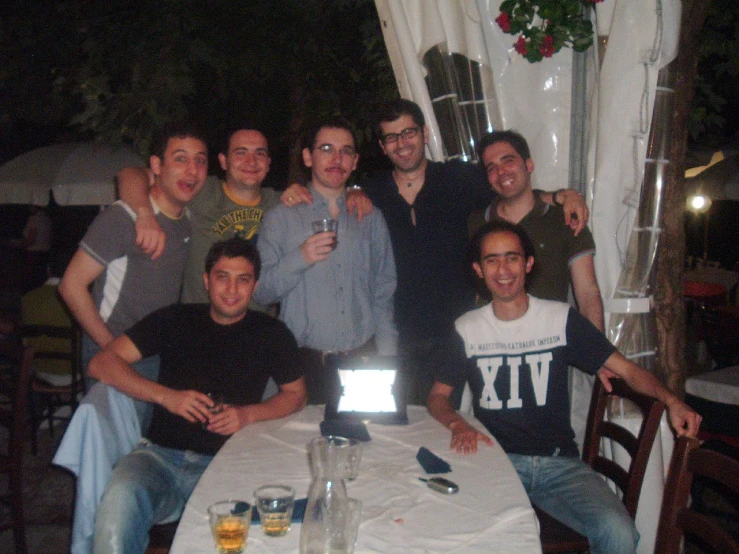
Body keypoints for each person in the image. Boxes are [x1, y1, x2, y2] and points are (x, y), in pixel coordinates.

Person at [427, 220, 702, 554]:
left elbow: (628, 371)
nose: (503, 269)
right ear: (478, 269)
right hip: (495, 461)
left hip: (559, 465)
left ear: (528, 264)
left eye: (512, 258)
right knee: (462, 535)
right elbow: (438, 396)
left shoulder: (560, 319)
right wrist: (457, 424)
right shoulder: (467, 328)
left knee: (620, 535)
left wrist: (671, 400)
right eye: (492, 260)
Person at [363, 99, 588, 404]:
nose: (402, 144)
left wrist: (561, 196)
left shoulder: (460, 179)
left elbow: (511, 191)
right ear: (382, 145)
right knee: (393, 431)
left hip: (455, 336)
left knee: (446, 428)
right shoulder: (372, 193)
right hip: (392, 337)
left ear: (425, 133)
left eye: (409, 133)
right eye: (391, 137)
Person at [89, 238, 306, 553]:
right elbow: (101, 363)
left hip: (225, 460)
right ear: (206, 281)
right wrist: (166, 397)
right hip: (158, 457)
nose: (231, 289)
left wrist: (247, 415)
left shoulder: (272, 333)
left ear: (254, 285)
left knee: (225, 541)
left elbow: (296, 395)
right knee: (119, 498)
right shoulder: (175, 319)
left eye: (242, 279)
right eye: (222, 277)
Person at [119, 127, 372, 306]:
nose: (251, 161)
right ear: (223, 161)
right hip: (200, 324)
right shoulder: (201, 190)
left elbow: (328, 195)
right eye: (241, 152)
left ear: (269, 162)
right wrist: (144, 214)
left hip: (258, 328)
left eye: (260, 153)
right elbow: (131, 175)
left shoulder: (283, 202)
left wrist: (353, 191)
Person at [59, 122, 208, 418]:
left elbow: (129, 173)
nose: (192, 170)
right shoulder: (123, 217)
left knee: (139, 447)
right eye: (180, 159)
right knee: (114, 451)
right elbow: (70, 286)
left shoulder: (187, 219)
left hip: (156, 351)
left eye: (200, 161)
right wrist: (112, 349)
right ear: (156, 165)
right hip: (114, 347)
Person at [254, 117, 397, 404]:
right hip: (301, 364)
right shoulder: (280, 217)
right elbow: (261, 292)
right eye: (327, 149)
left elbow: (383, 291)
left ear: (355, 161)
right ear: (308, 156)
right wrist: (300, 257)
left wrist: (390, 358)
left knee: (368, 445)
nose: (337, 159)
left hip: (363, 362)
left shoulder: (370, 217)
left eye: (345, 151)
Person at [475, 129, 604, 328]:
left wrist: (596, 354)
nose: (501, 172)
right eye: (491, 168)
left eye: (508, 161)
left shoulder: (564, 219)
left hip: (550, 343)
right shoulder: (477, 222)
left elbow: (587, 292)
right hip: (493, 348)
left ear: (529, 165)